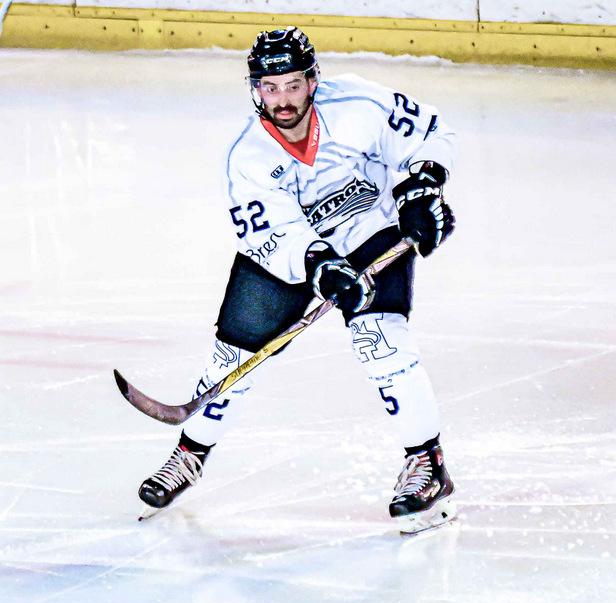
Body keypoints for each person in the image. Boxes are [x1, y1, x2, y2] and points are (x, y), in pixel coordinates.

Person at [138, 26, 457, 533]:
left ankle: (427, 464)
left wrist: (421, 188)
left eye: (292, 85)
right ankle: (190, 454)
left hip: (369, 229)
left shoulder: (358, 104)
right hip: (293, 252)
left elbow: (429, 133)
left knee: (379, 341)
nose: (283, 100)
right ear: (255, 90)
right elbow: (272, 233)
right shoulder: (247, 156)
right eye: (270, 88)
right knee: (233, 357)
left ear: (312, 81)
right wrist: (319, 265)